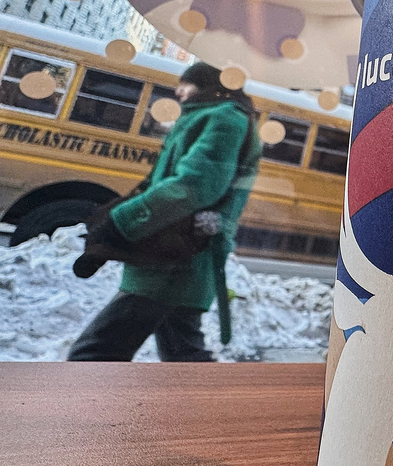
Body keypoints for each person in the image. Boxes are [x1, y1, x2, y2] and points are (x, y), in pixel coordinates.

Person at [68, 62, 261, 362]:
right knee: (183, 356)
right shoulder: (209, 116)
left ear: (207, 85)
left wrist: (121, 223)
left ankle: (82, 409)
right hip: (181, 255)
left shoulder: (224, 119)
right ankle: (211, 408)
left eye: (186, 83)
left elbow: (194, 185)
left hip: (174, 255)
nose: (177, 90)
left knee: (93, 355)